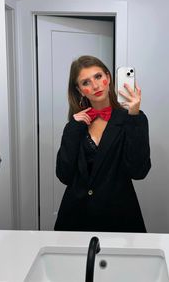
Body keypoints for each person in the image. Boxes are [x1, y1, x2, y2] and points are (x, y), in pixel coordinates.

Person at [54, 55, 151, 232]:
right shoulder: (75, 126)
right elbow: (64, 175)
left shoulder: (133, 119)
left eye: (98, 77)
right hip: (76, 218)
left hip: (119, 218)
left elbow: (138, 171)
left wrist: (134, 117)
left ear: (108, 78)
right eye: (86, 82)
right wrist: (73, 129)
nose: (95, 85)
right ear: (80, 90)